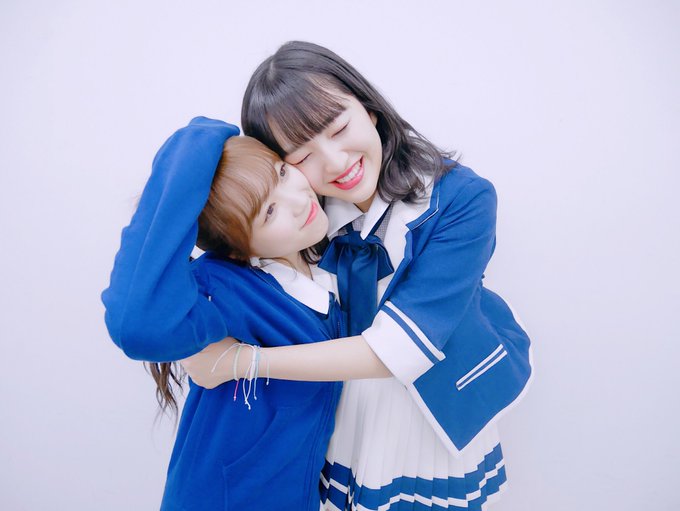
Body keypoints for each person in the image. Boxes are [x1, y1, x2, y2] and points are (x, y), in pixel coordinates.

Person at [184, 42, 534, 511]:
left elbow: (400, 348)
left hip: (431, 418)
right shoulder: (301, 212)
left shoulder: (462, 199)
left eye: (339, 128)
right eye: (300, 156)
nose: (334, 162)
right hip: (342, 418)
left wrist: (241, 363)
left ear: (369, 108)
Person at [101, 117, 347, 511]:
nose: (300, 200)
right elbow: (136, 325)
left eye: (283, 173)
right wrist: (200, 138)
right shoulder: (225, 286)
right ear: (235, 249)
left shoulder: (331, 264)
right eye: (269, 212)